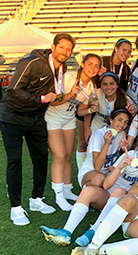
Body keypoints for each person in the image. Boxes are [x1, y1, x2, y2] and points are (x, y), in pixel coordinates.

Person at [40, 129, 138, 247]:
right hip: (110, 195)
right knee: (88, 191)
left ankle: (93, 232)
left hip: (128, 203)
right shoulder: (129, 155)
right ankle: (66, 232)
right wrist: (120, 167)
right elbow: (106, 185)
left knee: (119, 191)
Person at [0, 33, 76, 225]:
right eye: (62, 47)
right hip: (12, 116)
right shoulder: (32, 61)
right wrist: (42, 99)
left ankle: (36, 199)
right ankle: (16, 207)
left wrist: (67, 96)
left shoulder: (62, 67)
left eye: (69, 49)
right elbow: (13, 90)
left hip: (36, 118)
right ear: (53, 46)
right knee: (15, 160)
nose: (65, 52)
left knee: (41, 158)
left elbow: (53, 95)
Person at [45, 53, 101, 211]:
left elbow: (80, 111)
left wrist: (91, 107)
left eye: (96, 66)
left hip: (69, 120)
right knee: (60, 156)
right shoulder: (68, 77)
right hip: (53, 118)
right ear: (83, 64)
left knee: (68, 156)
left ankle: (68, 189)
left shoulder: (91, 87)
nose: (93, 68)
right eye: (90, 64)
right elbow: (54, 101)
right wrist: (70, 94)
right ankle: (59, 195)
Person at [77, 108, 130, 188]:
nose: (122, 125)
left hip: (107, 173)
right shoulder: (98, 136)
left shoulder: (121, 134)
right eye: (119, 120)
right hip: (91, 174)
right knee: (100, 179)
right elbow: (97, 168)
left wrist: (124, 148)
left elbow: (119, 156)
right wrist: (106, 144)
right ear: (111, 120)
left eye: (125, 122)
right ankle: (87, 194)